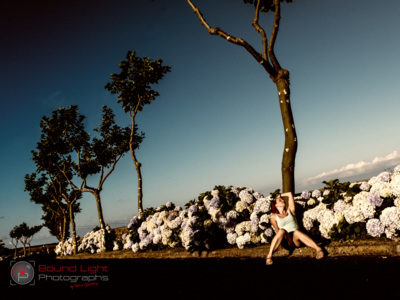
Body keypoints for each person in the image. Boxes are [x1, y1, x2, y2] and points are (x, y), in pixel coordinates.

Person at [266, 192, 325, 265]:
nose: (283, 201)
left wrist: (280, 195)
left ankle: (319, 249)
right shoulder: (274, 216)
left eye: (282, 200)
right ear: (276, 205)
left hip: (296, 239)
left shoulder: (290, 211)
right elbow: (277, 231)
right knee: (281, 231)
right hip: (287, 240)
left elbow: (290, 194)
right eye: (280, 200)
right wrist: (279, 244)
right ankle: (269, 256)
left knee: (296, 232)